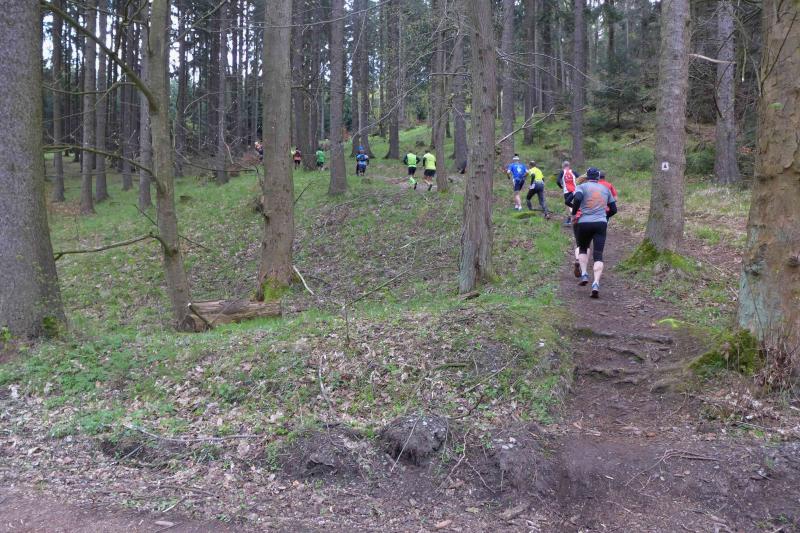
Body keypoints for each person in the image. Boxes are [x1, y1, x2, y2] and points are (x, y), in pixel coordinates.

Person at [572, 167, 617, 298]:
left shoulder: (581, 187)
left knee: (583, 249)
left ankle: (584, 274)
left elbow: (577, 198)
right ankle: (596, 283)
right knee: (598, 255)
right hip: (600, 224)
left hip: (584, 222)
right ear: (598, 177)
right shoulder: (605, 189)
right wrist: (604, 216)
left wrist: (574, 213)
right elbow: (614, 209)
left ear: (587, 176)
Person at [557, 160, 577, 226]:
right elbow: (580, 178)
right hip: (575, 190)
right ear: (569, 166)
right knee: (573, 203)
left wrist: (561, 186)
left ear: (563, 166)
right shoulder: (573, 172)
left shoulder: (562, 172)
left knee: (568, 205)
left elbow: (558, 181)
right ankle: (575, 217)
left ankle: (569, 220)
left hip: (566, 191)